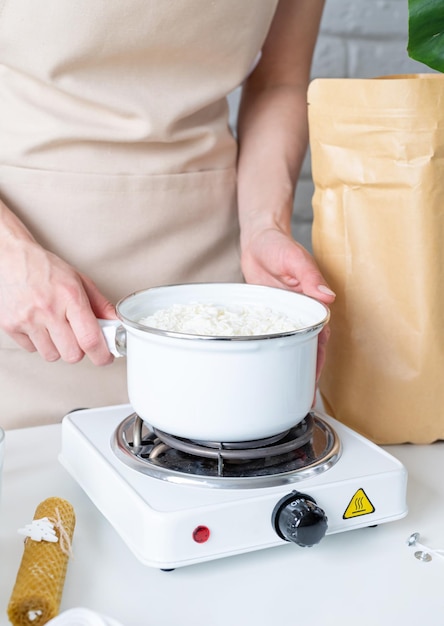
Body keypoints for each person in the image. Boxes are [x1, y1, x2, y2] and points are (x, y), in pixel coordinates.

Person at [0, 0, 335, 429]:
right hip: (23, 284)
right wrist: (9, 257)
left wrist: (263, 226)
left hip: (207, 281)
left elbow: (278, 82)